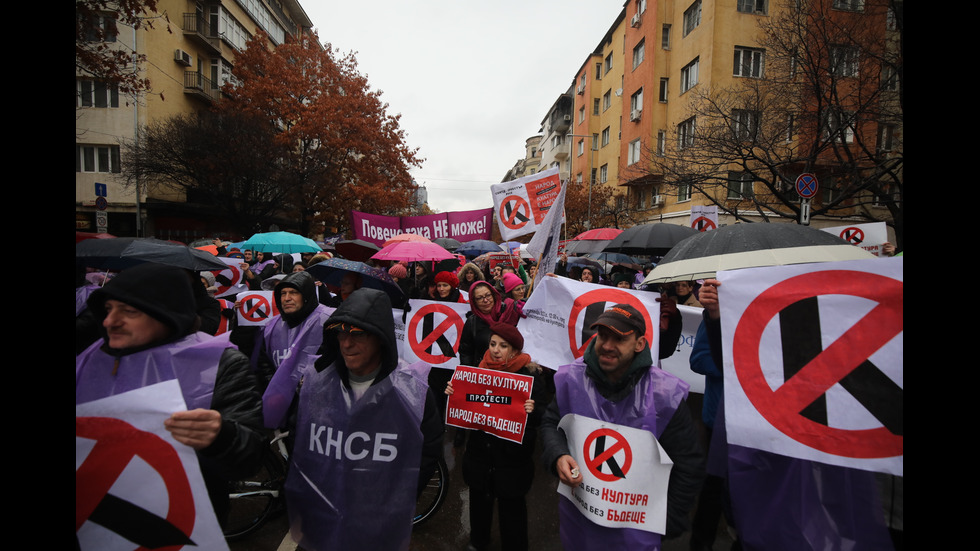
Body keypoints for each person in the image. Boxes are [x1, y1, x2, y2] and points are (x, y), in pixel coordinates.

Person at [76, 262, 265, 522]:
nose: (110, 321)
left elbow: (249, 457)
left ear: (166, 314)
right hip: (93, 516)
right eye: (108, 309)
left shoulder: (221, 363)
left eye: (128, 311)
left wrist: (221, 437)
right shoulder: (90, 357)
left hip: (181, 522)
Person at [283, 288, 444, 550]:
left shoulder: (410, 391)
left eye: (357, 334)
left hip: (375, 525)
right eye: (341, 333)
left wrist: (396, 499)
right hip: (320, 520)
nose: (346, 344)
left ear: (380, 337)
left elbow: (427, 451)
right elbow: (298, 435)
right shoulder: (318, 380)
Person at [540, 303, 704, 550]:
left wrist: (666, 521)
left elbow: (688, 465)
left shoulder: (663, 395)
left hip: (635, 533)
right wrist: (558, 455)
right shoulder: (572, 379)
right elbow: (551, 423)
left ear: (639, 344)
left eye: (619, 339)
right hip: (579, 524)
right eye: (603, 336)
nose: (607, 345)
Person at [446, 323, 543, 551]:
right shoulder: (478, 372)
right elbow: (466, 407)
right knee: (479, 504)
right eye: (492, 344)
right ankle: (478, 542)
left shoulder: (529, 375)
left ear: (515, 350)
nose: (496, 350)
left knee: (512, 510)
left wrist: (533, 410)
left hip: (512, 459)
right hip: (480, 454)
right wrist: (454, 392)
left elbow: (543, 417)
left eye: (503, 345)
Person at [256, 271, 333, 429]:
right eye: (283, 293)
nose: (286, 298)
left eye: (293, 292)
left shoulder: (328, 320)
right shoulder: (272, 326)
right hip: (281, 407)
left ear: (306, 295)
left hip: (318, 410)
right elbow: (263, 364)